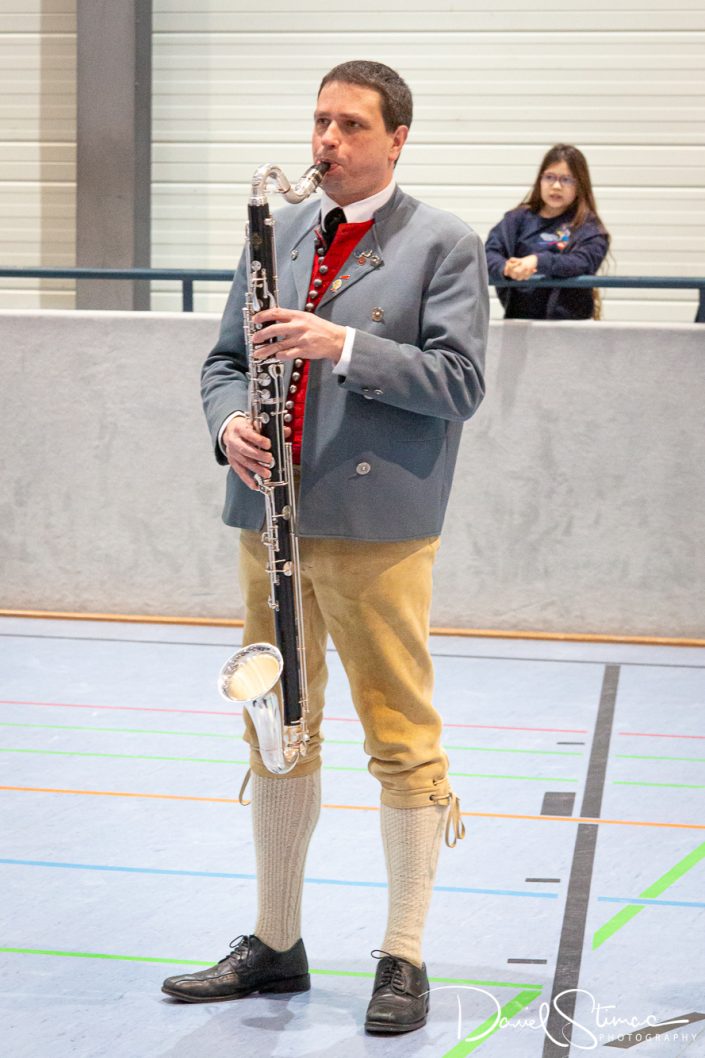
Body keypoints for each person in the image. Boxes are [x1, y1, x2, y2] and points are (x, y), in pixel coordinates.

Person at [161, 60, 488, 1035]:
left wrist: (339, 344)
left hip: (375, 529)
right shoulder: (280, 230)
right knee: (275, 727)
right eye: (320, 122)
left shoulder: (443, 243)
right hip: (270, 522)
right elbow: (225, 362)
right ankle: (275, 940)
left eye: (350, 125)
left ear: (397, 139)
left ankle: (403, 952)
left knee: (398, 734)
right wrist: (230, 426)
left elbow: (460, 382)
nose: (327, 141)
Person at [485, 144, 610, 320]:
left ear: (580, 184)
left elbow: (582, 262)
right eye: (549, 177)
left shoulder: (589, 227)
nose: (556, 186)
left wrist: (537, 261)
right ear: (540, 180)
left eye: (566, 179)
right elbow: (488, 253)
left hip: (570, 326)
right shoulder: (516, 219)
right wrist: (506, 268)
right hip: (519, 323)